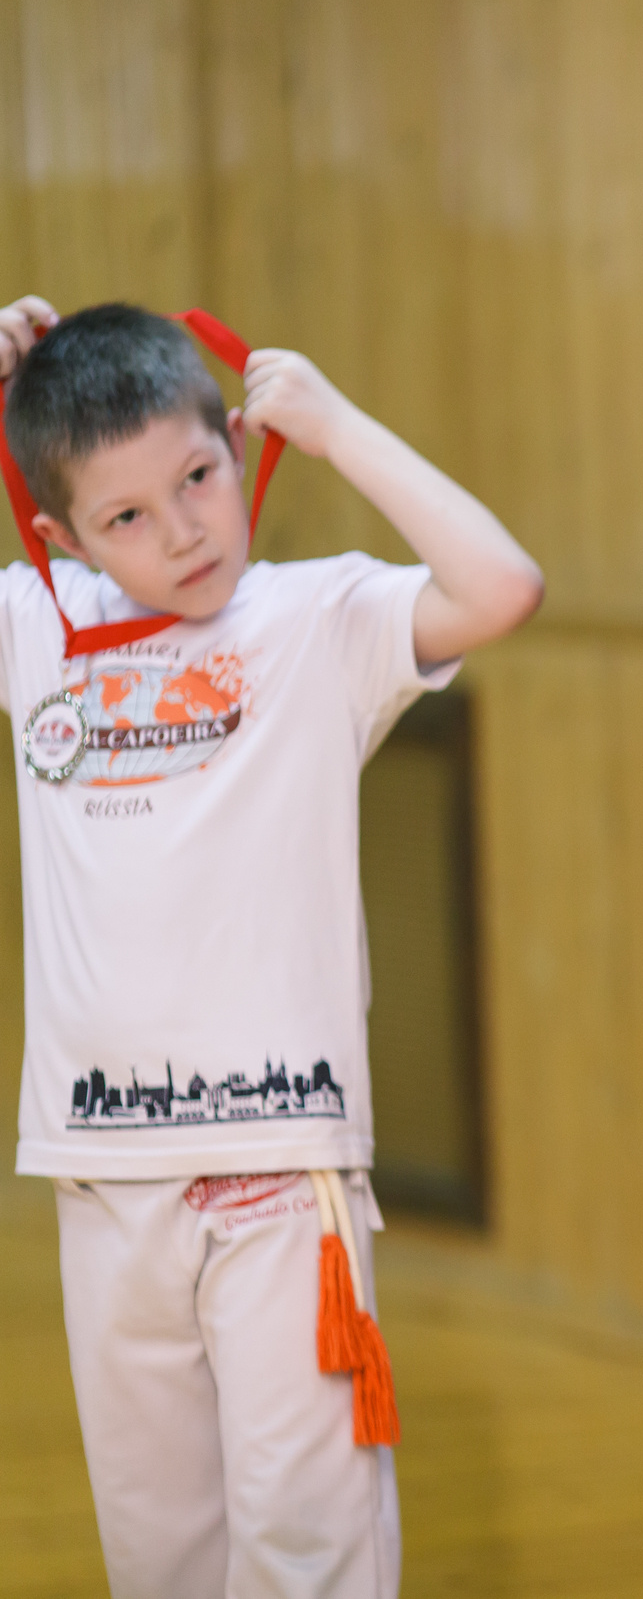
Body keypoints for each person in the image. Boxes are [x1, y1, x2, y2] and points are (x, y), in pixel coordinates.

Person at [0, 297, 544, 1596]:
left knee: (308, 1553)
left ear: (238, 445)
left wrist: (338, 425)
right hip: (103, 1178)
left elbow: (502, 585)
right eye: (127, 516)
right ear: (60, 535)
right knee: (160, 1561)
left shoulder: (316, 618)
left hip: (278, 1173)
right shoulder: (35, 623)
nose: (183, 530)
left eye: (197, 478)